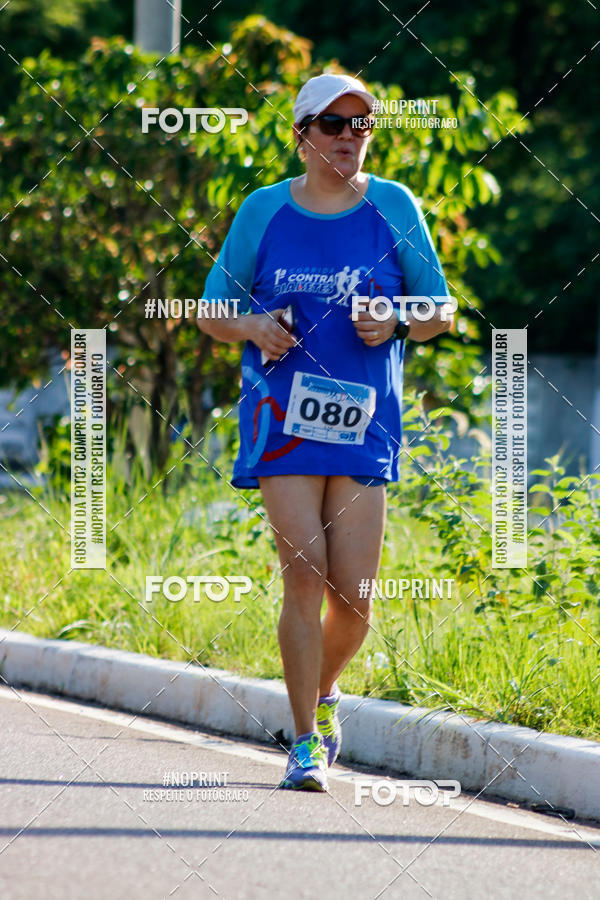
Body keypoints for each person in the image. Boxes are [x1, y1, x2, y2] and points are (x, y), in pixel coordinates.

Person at [198, 73, 453, 792]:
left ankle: (325, 694)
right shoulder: (263, 210)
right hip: (282, 420)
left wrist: (400, 320)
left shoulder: (395, 205)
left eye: (362, 126)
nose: (349, 138)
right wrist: (251, 325)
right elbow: (210, 310)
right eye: (335, 125)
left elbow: (443, 309)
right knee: (303, 578)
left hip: (365, 422)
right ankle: (305, 742)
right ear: (302, 133)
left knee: (356, 600)